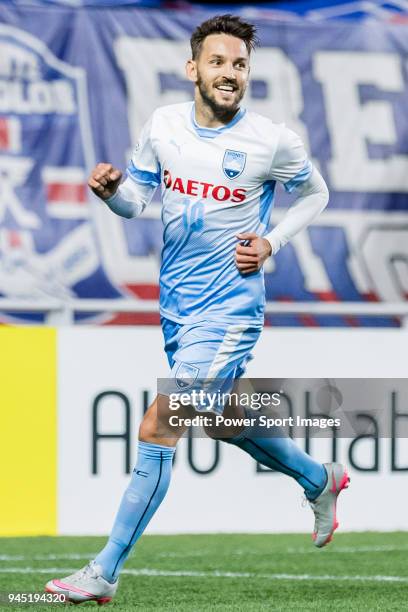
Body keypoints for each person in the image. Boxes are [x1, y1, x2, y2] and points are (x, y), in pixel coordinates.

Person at [45, 14, 349, 605]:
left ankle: (103, 571)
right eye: (218, 62)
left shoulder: (270, 140)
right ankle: (320, 477)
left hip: (232, 311)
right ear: (194, 69)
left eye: (239, 64)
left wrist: (272, 242)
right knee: (221, 420)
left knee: (159, 423)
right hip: (178, 308)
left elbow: (316, 192)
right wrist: (112, 194)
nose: (229, 74)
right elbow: (137, 203)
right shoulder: (163, 126)